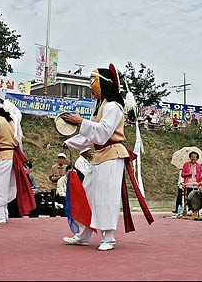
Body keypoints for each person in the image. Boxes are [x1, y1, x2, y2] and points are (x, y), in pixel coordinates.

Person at [60, 63, 153, 251]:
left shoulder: (114, 107)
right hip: (100, 156)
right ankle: (83, 235)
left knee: (106, 197)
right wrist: (70, 142)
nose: (90, 85)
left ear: (104, 83)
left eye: (92, 80)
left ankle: (109, 237)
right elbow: (91, 135)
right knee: (88, 195)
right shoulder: (101, 106)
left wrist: (80, 121)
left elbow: (102, 133)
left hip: (113, 155)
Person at [0, 95, 35, 225]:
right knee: (6, 186)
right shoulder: (11, 121)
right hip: (13, 157)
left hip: (3, 157)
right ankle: (3, 213)